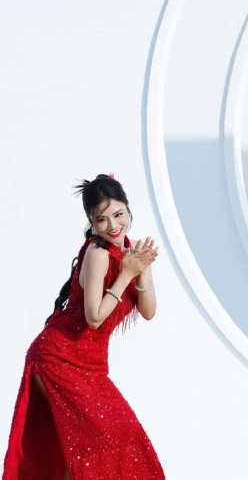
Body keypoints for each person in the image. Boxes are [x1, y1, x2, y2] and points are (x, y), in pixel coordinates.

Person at [3, 174, 165, 480]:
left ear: (129, 209)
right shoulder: (97, 255)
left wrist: (141, 270)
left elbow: (149, 312)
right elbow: (94, 317)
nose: (113, 225)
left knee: (112, 440)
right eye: (101, 219)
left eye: (118, 214)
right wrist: (126, 274)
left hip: (93, 366)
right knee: (94, 443)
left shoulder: (132, 252)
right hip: (58, 358)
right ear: (91, 221)